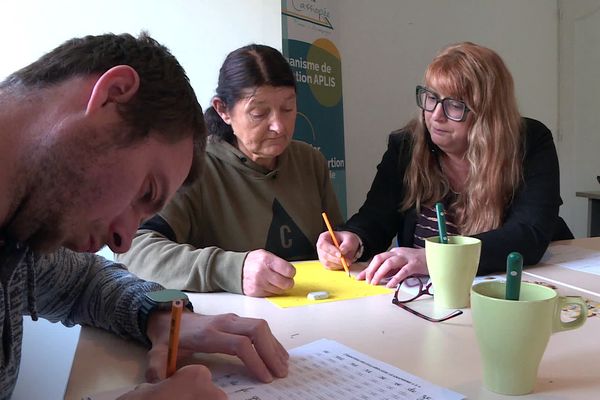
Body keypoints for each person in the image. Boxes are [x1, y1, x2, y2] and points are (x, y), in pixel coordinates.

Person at [0, 33, 288, 400]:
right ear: (112, 95)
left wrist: (165, 314)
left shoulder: (20, 230)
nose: (123, 239)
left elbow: (84, 282)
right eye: (146, 192)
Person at [316, 42, 573, 289]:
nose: (436, 115)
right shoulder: (406, 145)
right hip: (428, 298)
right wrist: (354, 239)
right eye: (432, 98)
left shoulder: (528, 142)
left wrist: (436, 258)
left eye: (454, 105)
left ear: (487, 114)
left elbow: (528, 234)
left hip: (513, 291)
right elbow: (376, 216)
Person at [117, 44, 343, 297]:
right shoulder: (193, 165)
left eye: (288, 108)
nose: (279, 126)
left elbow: (336, 237)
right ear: (223, 110)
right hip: (236, 322)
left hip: (319, 313)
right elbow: (134, 248)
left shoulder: (310, 161)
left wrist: (341, 246)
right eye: (259, 113)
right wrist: (232, 269)